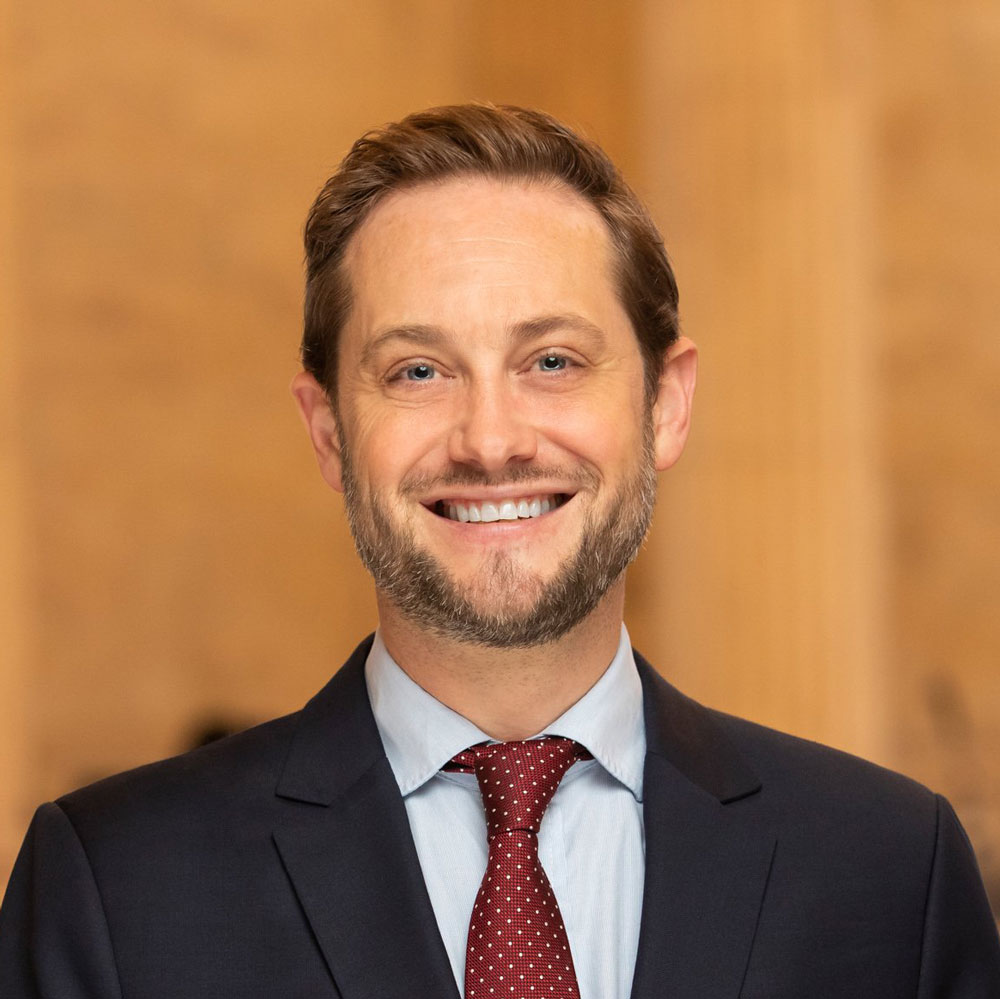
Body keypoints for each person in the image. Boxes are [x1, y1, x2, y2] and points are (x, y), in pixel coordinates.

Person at [1, 104, 998, 999]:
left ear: (665, 403)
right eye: (419, 369)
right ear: (328, 431)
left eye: (552, 362)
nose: (490, 439)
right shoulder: (115, 889)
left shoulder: (887, 874)